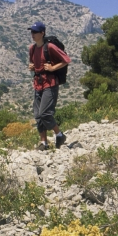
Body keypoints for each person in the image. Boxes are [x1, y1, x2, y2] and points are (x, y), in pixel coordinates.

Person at [28, 21, 70, 150]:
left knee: (45, 113)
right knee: (38, 115)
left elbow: (66, 60)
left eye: (35, 32)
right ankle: (43, 143)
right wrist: (31, 67)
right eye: (31, 32)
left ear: (42, 33)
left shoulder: (50, 47)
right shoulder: (32, 48)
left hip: (50, 84)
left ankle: (59, 135)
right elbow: (33, 62)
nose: (32, 34)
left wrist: (52, 68)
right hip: (38, 84)